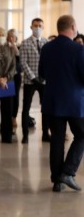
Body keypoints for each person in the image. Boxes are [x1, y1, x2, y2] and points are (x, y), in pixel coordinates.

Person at [39, 15, 84, 192]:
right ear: (73, 27)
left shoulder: (47, 48)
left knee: (57, 140)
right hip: (74, 103)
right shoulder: (78, 49)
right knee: (81, 135)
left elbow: (42, 73)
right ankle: (68, 171)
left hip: (52, 101)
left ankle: (57, 180)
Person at [19, 18, 50, 144]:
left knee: (46, 108)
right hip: (29, 81)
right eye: (35, 25)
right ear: (31, 27)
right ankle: (25, 135)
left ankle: (45, 133)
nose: (38, 28)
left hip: (44, 80)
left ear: (43, 28)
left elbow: (49, 61)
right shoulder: (25, 43)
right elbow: (23, 62)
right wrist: (33, 77)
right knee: (26, 108)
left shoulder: (47, 43)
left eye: (40, 26)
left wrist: (43, 76)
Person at [7, 29, 21, 136]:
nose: (12, 38)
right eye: (10, 36)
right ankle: (7, 118)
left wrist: (14, 46)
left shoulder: (19, 46)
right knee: (8, 97)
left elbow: (19, 57)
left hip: (16, 75)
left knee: (16, 97)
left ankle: (14, 117)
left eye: (13, 36)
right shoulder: (4, 47)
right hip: (7, 76)